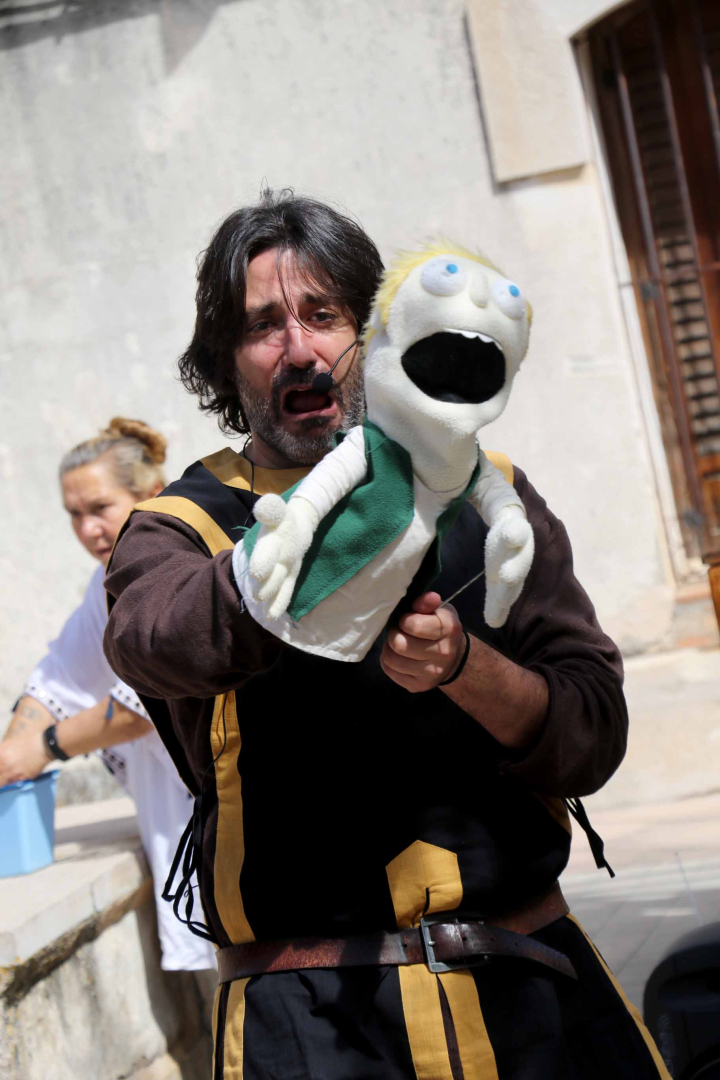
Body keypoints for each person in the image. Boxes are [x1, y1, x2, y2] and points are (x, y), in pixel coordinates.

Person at [104, 191, 671, 1079]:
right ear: (226, 359)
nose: (300, 349)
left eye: (323, 314)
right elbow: (151, 640)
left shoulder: (494, 495)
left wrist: (462, 665)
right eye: (263, 326)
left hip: (535, 1000)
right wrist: (284, 574)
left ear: (374, 333)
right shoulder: (182, 528)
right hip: (312, 1026)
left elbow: (593, 733)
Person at [1, 418, 216, 976]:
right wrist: (11, 752)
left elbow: (143, 703)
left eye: (99, 508)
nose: (87, 528)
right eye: (74, 514)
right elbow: (55, 679)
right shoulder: (104, 585)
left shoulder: (177, 569)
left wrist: (43, 747)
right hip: (187, 833)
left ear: (150, 495)